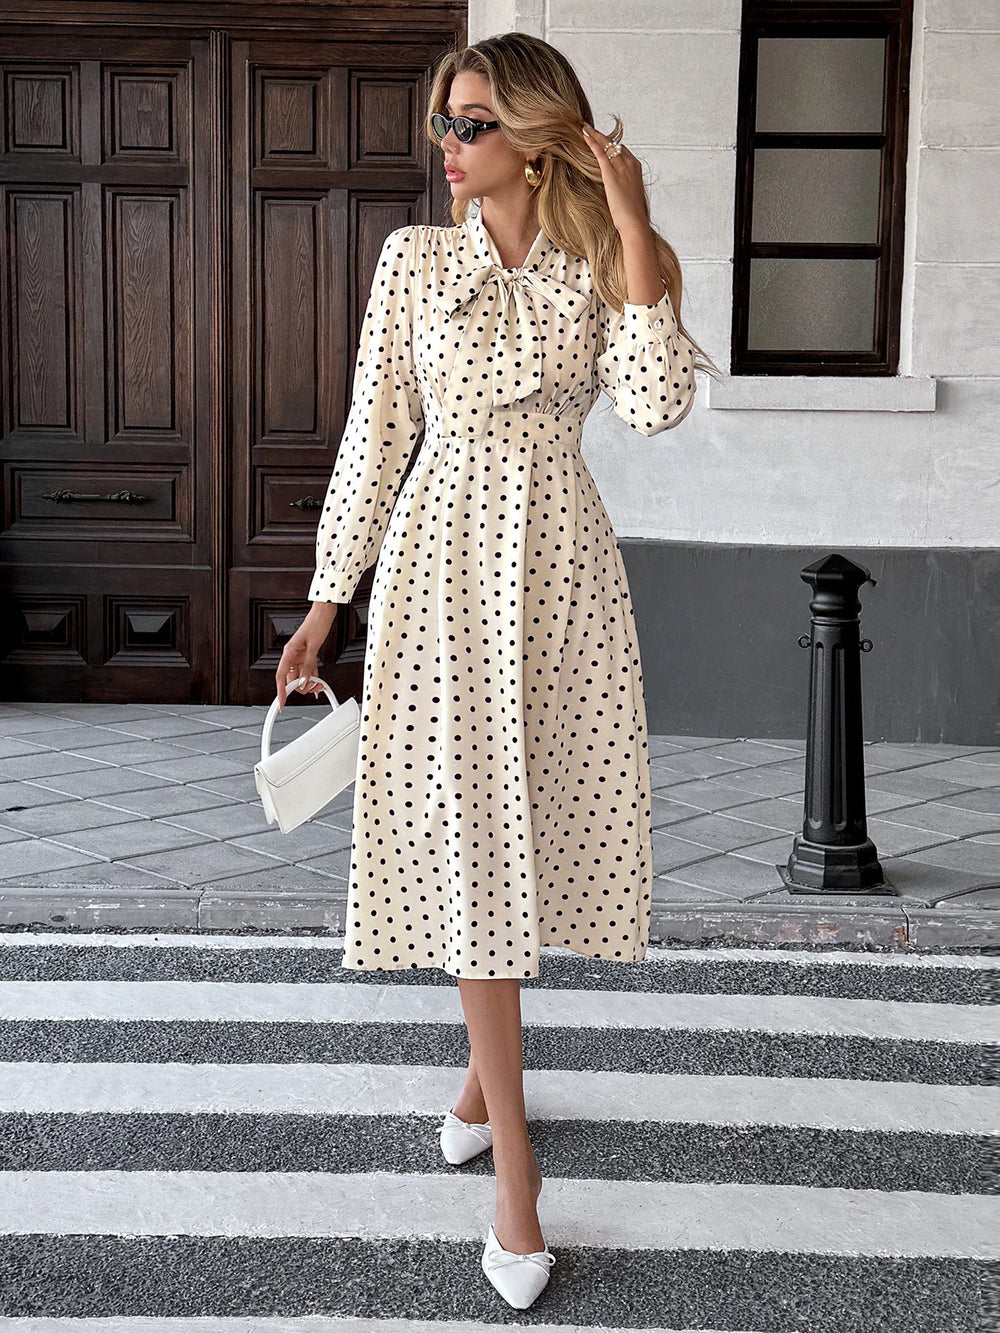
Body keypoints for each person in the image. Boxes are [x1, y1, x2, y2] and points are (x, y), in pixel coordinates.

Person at [275, 31, 717, 1311]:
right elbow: (374, 434)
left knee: (545, 828)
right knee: (471, 842)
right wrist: (327, 599)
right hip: (439, 571)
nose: (449, 146)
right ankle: (515, 1172)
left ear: (534, 135)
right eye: (443, 123)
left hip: (563, 575)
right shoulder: (413, 261)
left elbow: (652, 406)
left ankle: (480, 1084)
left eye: (472, 123)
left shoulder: (602, 261)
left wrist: (630, 223)